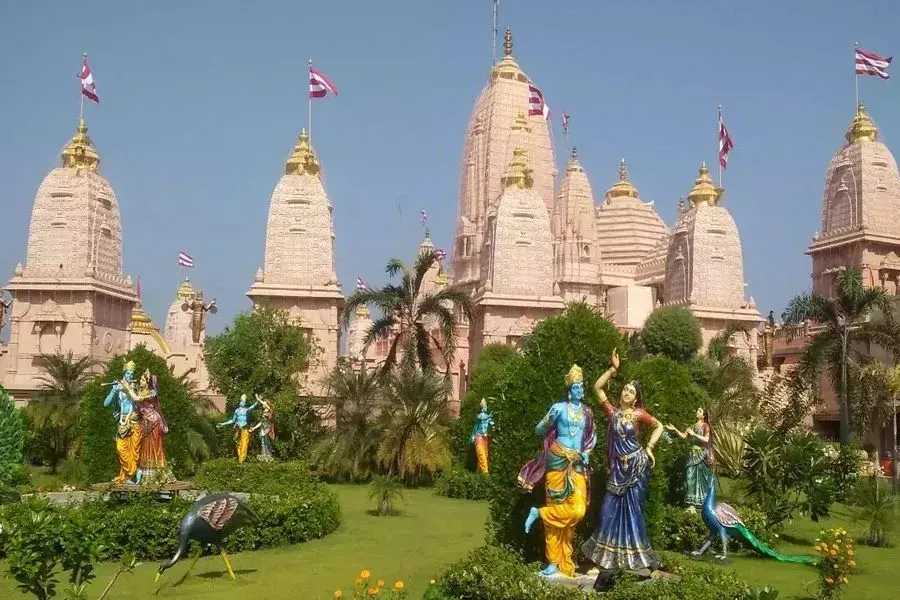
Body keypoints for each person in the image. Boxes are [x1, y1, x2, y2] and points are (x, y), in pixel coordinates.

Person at [581, 348, 663, 572]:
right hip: (618, 468)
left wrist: (649, 448)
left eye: (630, 391)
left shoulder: (639, 415)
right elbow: (597, 388)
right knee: (608, 509)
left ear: (636, 398)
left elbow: (659, 426)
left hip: (636, 466)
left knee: (633, 510)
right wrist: (613, 369)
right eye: (625, 389)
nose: (626, 392)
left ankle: (636, 559)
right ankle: (605, 559)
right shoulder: (613, 412)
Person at [519, 364, 596, 578]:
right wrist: (548, 419)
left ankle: (539, 512)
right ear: (570, 390)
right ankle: (553, 562)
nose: (581, 390)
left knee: (577, 510)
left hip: (577, 464)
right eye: (577, 387)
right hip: (556, 460)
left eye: (582, 387)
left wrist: (588, 451)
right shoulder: (559, 408)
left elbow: (592, 437)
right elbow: (539, 429)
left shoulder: (588, 412)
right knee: (557, 515)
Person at [665, 408, 713, 509]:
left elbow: (707, 439)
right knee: (689, 477)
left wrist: (694, 434)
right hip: (692, 455)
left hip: (701, 454)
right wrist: (675, 430)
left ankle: (700, 503)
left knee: (701, 478)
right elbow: (683, 436)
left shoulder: (705, 426)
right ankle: (691, 503)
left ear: (703, 416)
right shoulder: (692, 426)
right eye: (697, 410)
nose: (697, 412)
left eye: (699, 411)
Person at [104, 360, 142, 484]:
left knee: (134, 450)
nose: (130, 376)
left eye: (132, 374)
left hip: (134, 421)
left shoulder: (135, 387)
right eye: (128, 374)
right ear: (124, 373)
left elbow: (138, 400)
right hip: (122, 422)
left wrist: (128, 388)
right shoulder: (118, 387)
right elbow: (106, 404)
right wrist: (114, 390)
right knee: (121, 448)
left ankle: (132, 475)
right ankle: (132, 472)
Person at [133, 370, 174, 484]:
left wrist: (128, 388)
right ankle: (146, 474)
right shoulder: (140, 392)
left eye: (142, 380)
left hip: (153, 421)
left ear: (147, 382)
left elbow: (137, 399)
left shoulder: (151, 393)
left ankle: (158, 473)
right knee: (145, 447)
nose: (140, 381)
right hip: (145, 422)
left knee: (154, 447)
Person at [217, 394, 260, 463]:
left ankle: (241, 460)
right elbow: (232, 420)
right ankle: (240, 458)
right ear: (240, 402)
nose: (244, 403)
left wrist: (257, 401)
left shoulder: (247, 410)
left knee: (245, 444)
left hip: (245, 428)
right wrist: (223, 424)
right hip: (237, 428)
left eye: (245, 402)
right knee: (238, 443)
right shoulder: (237, 411)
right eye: (242, 402)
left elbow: (252, 407)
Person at [469, 398, 494, 474]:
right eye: (485, 405)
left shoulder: (488, 417)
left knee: (484, 457)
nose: (486, 407)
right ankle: (485, 475)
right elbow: (481, 418)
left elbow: (492, 424)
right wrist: (489, 416)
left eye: (486, 405)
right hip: (479, 438)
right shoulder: (480, 416)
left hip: (485, 439)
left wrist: (494, 425)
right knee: (482, 457)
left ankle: (479, 476)